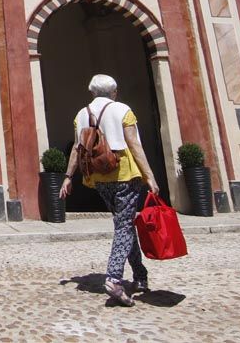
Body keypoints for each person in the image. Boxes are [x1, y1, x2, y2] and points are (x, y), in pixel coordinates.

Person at [59, 74, 159, 307]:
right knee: (124, 225)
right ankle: (114, 278)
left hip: (98, 176)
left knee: (124, 223)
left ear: (92, 92)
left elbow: (77, 147)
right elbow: (134, 144)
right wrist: (149, 175)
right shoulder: (123, 110)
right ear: (114, 92)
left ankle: (140, 275)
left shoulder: (81, 114)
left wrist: (68, 177)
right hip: (124, 172)